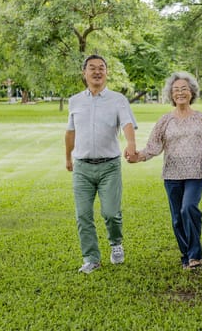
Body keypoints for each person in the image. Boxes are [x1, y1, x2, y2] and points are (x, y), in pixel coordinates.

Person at [126, 72, 202, 270]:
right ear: (171, 95)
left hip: (196, 173)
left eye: (184, 89)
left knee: (188, 208)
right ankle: (186, 255)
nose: (180, 93)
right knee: (176, 218)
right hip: (172, 174)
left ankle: (195, 254)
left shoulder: (201, 118)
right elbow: (153, 146)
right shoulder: (165, 120)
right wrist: (137, 156)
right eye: (176, 90)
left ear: (191, 93)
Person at [65, 54, 138, 274]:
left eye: (101, 68)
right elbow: (70, 132)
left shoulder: (118, 99)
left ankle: (116, 243)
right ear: (84, 73)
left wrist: (131, 144)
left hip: (109, 166)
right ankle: (91, 258)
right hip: (82, 167)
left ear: (106, 73)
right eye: (92, 68)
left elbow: (126, 123)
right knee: (83, 214)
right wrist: (68, 157)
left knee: (111, 213)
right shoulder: (75, 101)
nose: (97, 71)